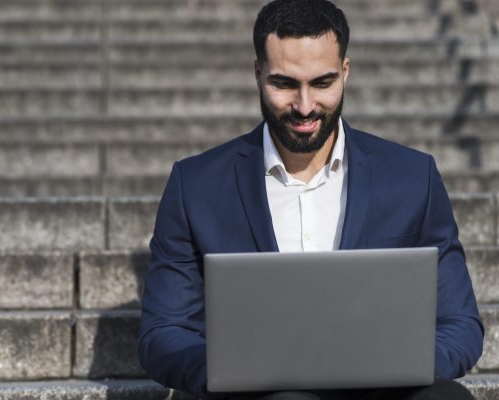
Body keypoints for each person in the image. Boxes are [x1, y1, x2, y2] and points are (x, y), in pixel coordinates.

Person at [138, 0, 485, 399]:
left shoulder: (411, 179)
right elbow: (163, 332)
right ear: (257, 74)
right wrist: (232, 371)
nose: (305, 107)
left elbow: (460, 323)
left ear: (345, 73)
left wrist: (400, 366)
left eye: (322, 83)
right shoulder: (196, 185)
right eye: (285, 84)